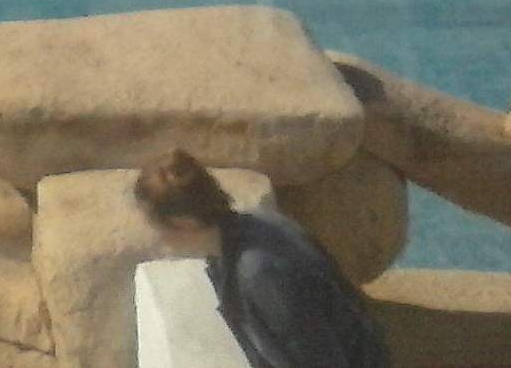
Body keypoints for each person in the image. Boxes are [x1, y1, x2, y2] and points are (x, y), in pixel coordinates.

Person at [134, 148, 389, 368]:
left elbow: (321, 359)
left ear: (184, 223)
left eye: (157, 227)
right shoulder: (257, 224)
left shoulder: (259, 274)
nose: (158, 239)